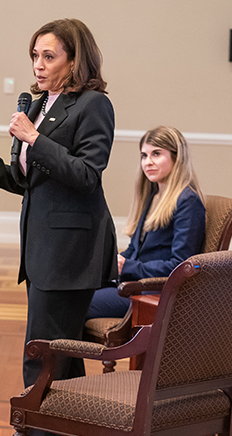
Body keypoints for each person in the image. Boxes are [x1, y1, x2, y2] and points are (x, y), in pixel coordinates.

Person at [0, 18, 117, 436]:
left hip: (69, 255)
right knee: (66, 363)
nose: (38, 64)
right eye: (34, 55)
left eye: (48, 56)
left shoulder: (93, 104)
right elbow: (31, 183)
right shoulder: (40, 104)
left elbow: (86, 175)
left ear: (73, 61)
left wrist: (34, 139)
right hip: (44, 253)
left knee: (40, 363)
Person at [86, 126, 205, 319]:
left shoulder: (187, 202)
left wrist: (128, 267)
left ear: (177, 157)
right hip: (135, 284)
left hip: (155, 293)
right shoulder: (154, 196)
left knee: (76, 306)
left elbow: (180, 266)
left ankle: (71, 350)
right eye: (144, 155)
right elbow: (134, 250)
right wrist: (113, 262)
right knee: (70, 292)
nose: (147, 162)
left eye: (156, 154)